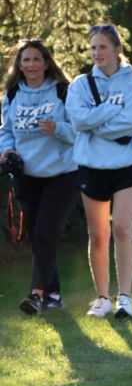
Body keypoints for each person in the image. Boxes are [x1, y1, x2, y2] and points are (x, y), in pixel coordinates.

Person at [66, 24, 132, 319]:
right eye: (93, 47)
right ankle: (102, 298)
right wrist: (112, 111)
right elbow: (78, 120)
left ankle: (125, 297)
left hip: (128, 165)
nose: (97, 52)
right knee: (99, 234)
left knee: (122, 228)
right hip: (92, 165)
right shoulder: (80, 85)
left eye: (102, 46)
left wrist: (95, 122)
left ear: (116, 49)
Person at [0, 39, 78, 314]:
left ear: (46, 63)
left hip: (62, 174)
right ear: (19, 66)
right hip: (27, 175)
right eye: (26, 60)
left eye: (36, 59)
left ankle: (36, 295)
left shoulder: (62, 92)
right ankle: (54, 294)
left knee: (44, 233)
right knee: (37, 236)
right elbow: (5, 130)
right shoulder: (12, 95)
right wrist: (7, 151)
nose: (31, 65)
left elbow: (79, 131)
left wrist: (57, 128)